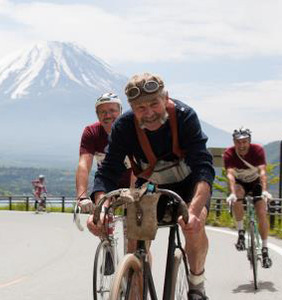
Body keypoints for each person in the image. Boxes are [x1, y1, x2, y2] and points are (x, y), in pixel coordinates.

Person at [87, 72, 214, 300]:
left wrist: (193, 211)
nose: (149, 113)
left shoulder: (185, 117)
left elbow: (204, 168)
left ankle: (196, 284)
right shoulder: (124, 127)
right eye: (140, 108)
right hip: (151, 188)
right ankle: (135, 287)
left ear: (166, 98)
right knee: (135, 239)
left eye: (154, 104)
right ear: (132, 108)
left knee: (196, 224)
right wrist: (101, 207)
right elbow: (107, 172)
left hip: (189, 186)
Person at [75, 92, 135, 210]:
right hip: (108, 180)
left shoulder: (131, 129)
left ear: (121, 112)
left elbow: (138, 165)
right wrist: (82, 196)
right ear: (97, 115)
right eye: (102, 112)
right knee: (101, 215)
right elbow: (84, 165)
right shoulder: (92, 132)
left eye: (112, 110)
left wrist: (133, 192)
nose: (107, 115)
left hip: (134, 180)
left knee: (133, 221)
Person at [224, 128, 273, 268]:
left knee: (262, 212)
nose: (242, 145)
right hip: (240, 184)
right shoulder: (229, 153)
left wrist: (264, 191)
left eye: (244, 141)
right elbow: (230, 175)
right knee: (237, 197)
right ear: (234, 142)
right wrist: (232, 193)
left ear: (249, 141)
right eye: (238, 142)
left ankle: (264, 249)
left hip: (256, 183)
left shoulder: (257, 150)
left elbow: (262, 172)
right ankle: (240, 233)